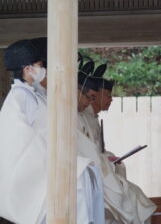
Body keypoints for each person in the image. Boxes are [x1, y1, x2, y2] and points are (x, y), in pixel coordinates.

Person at [0, 39, 104, 224]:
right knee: (77, 180)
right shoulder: (18, 97)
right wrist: (53, 151)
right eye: (40, 65)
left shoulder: (35, 94)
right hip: (35, 168)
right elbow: (17, 139)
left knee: (88, 173)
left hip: (50, 159)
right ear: (27, 69)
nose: (44, 70)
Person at [77, 63, 157, 224]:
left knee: (136, 198)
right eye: (107, 94)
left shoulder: (89, 117)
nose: (111, 99)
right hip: (85, 175)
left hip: (97, 170)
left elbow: (94, 151)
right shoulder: (78, 116)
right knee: (130, 201)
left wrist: (109, 159)